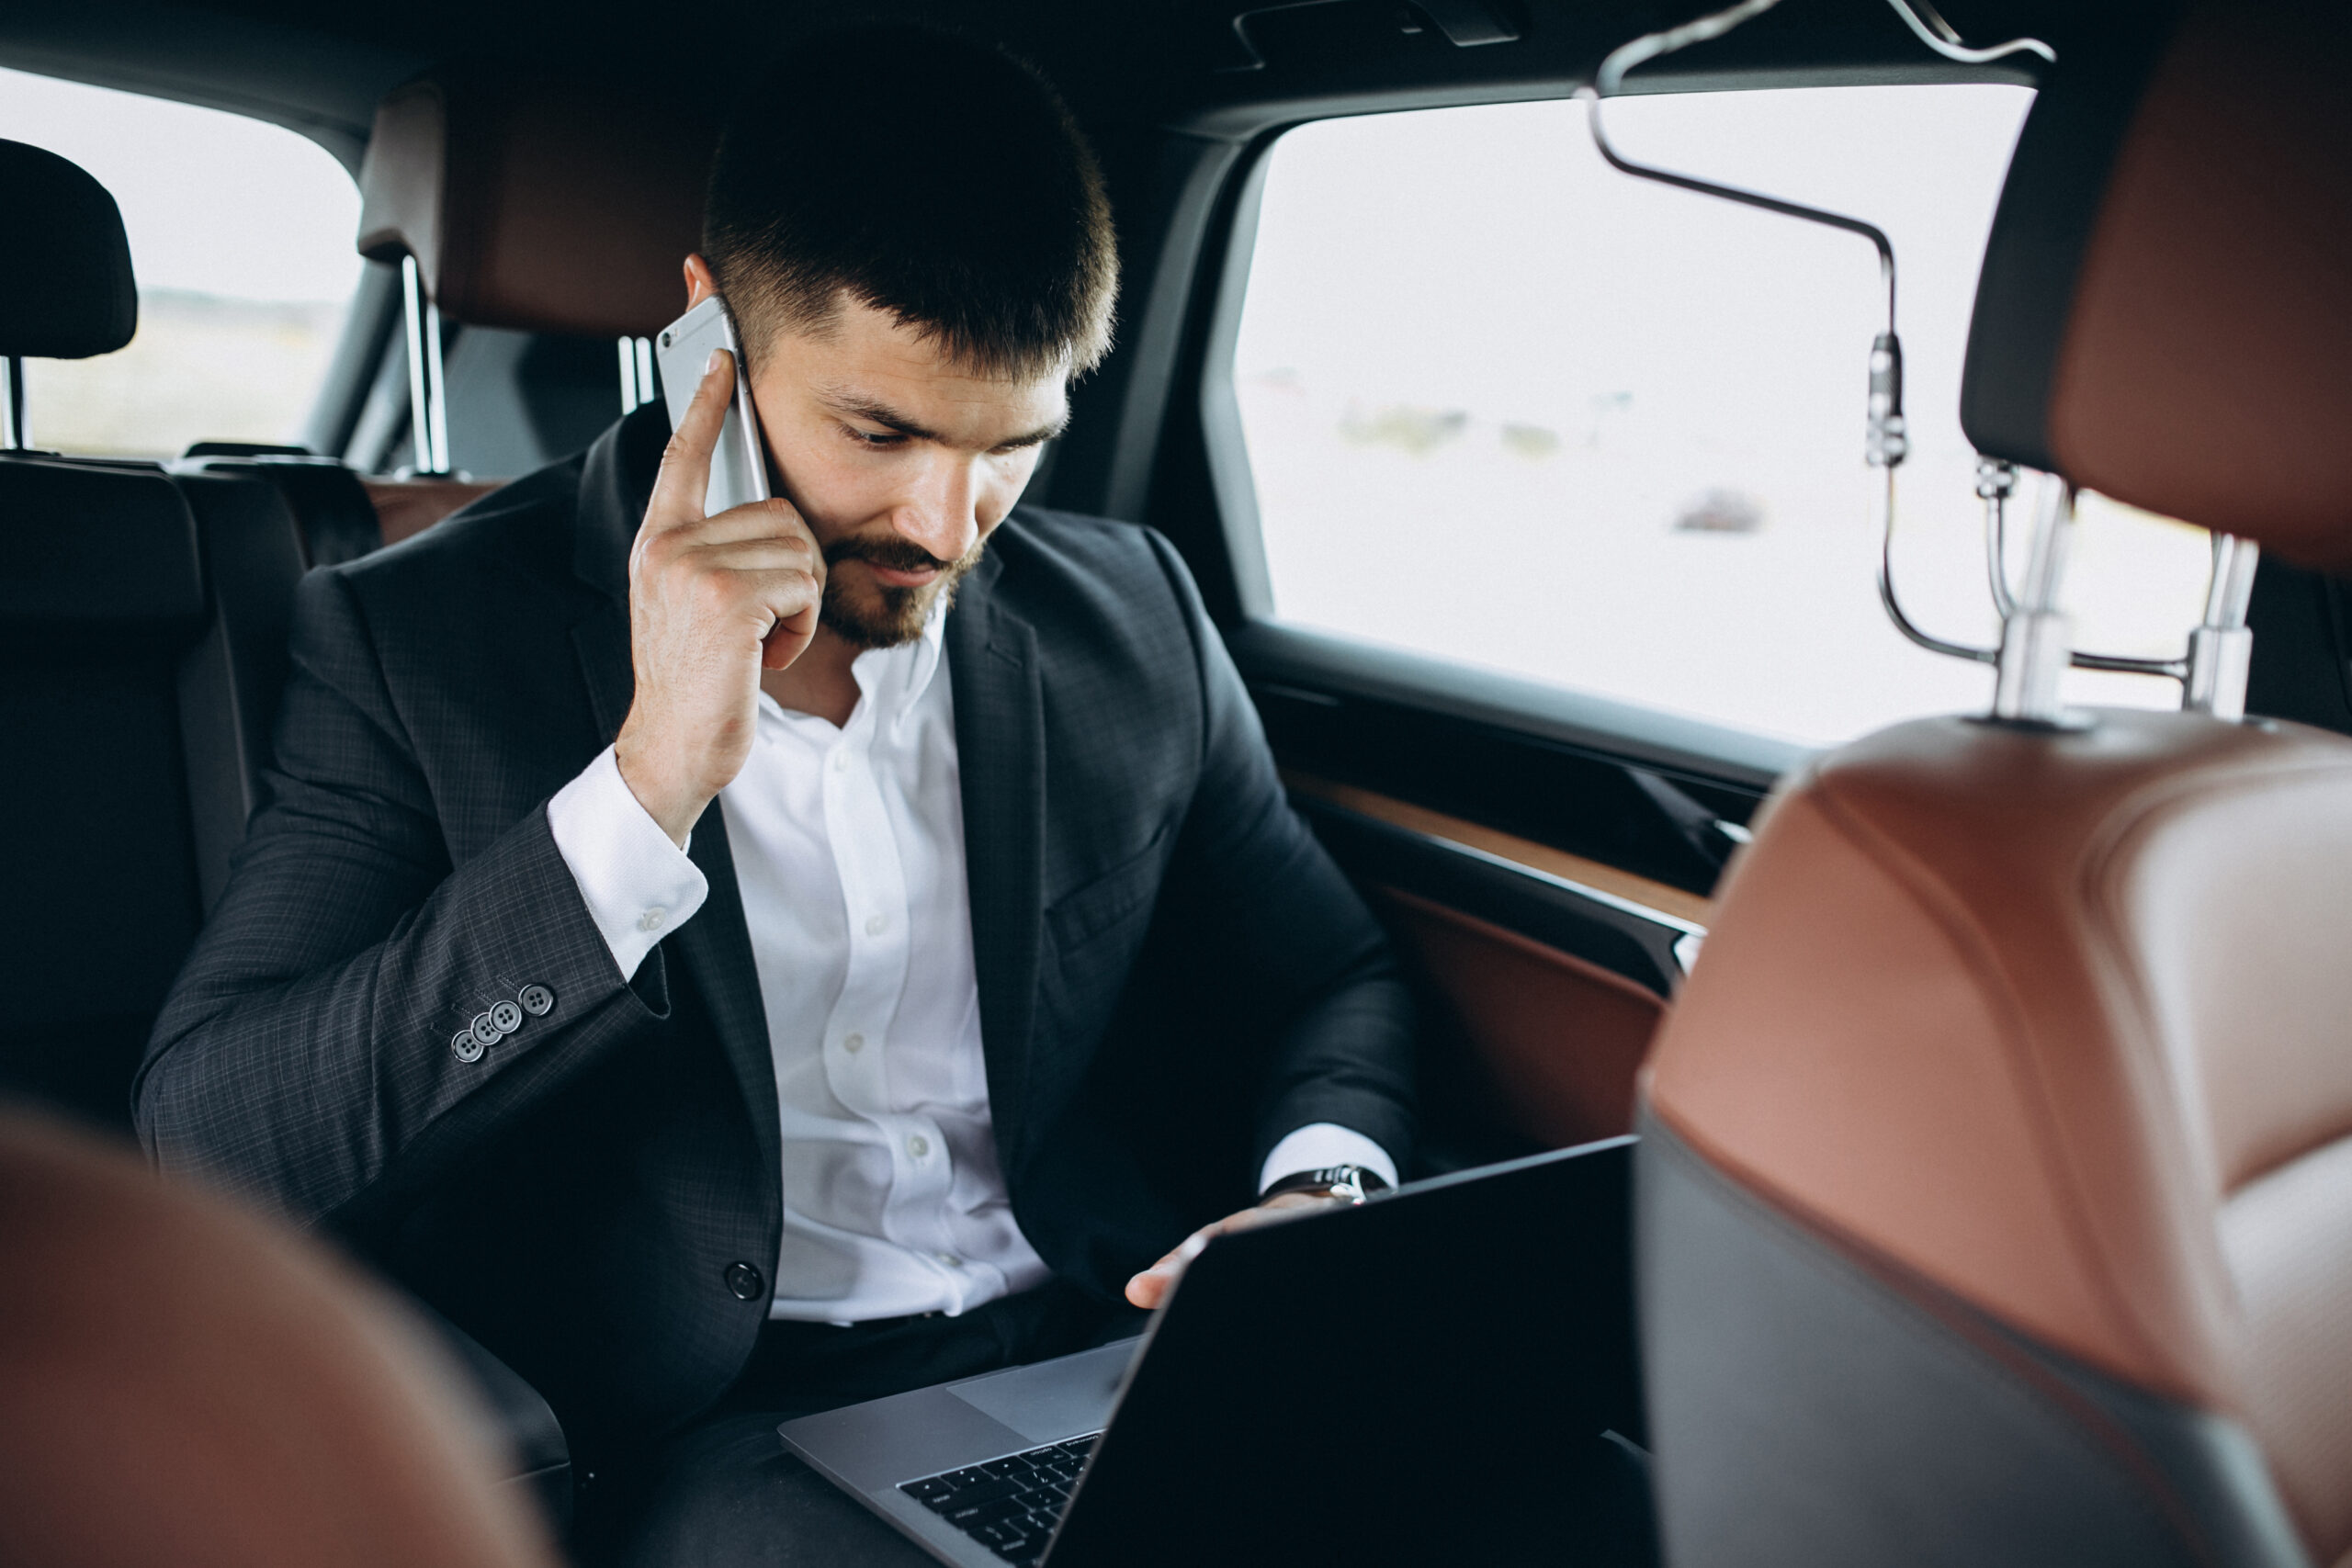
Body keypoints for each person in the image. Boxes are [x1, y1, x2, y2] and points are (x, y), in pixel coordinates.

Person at [136, 25, 1415, 1561]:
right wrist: (642, 788)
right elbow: (212, 1148)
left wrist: (1324, 1199)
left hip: (1102, 1345)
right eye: (880, 431)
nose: (949, 526)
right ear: (707, 336)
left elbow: (1328, 971)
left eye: (1016, 444)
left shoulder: (1131, 614)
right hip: (722, 1429)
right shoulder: (421, 641)